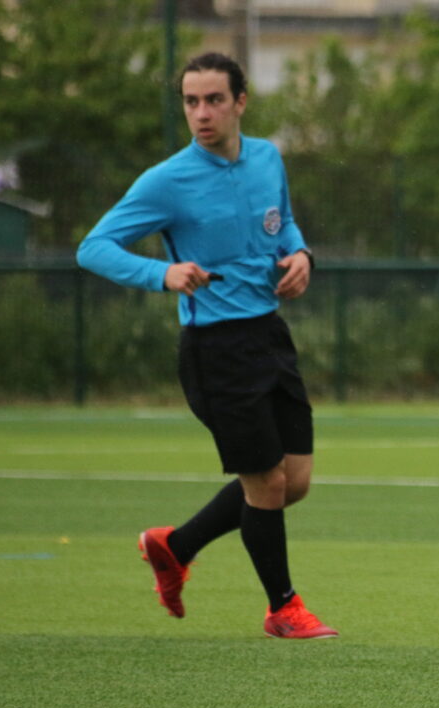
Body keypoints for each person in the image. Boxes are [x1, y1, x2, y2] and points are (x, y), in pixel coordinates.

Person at [77, 52, 336, 640]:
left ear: (240, 102)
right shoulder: (168, 180)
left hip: (270, 336)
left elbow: (284, 224)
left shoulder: (267, 157)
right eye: (191, 102)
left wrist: (301, 255)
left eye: (214, 100)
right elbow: (93, 247)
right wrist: (161, 274)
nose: (201, 113)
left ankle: (175, 546)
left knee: (293, 482)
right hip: (215, 350)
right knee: (265, 483)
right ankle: (282, 609)